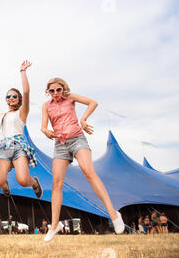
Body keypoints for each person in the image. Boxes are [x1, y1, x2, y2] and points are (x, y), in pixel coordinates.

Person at [40, 77, 125, 242]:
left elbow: (93, 102)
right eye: (52, 91)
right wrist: (46, 131)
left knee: (88, 171)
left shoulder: (71, 98)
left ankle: (114, 215)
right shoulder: (46, 106)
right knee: (56, 183)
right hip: (60, 144)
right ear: (48, 92)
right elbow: (43, 126)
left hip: (77, 138)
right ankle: (54, 225)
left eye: (58, 90)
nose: (56, 93)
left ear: (63, 89)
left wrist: (83, 119)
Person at [0, 60, 42, 198]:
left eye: (14, 96)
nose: (11, 98)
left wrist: (23, 72)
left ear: (19, 99)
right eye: (8, 96)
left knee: (23, 180)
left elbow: (26, 91)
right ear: (6, 99)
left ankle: (34, 182)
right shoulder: (2, 115)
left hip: (18, 146)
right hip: (4, 146)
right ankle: (5, 185)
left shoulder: (22, 112)